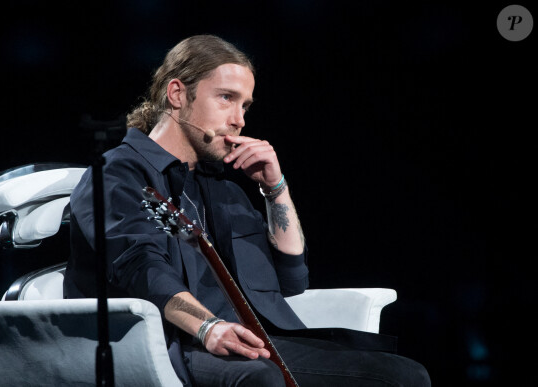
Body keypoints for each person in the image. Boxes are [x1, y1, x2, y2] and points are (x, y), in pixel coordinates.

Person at [64, 34, 430, 386]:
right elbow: (142, 269)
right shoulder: (117, 173)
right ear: (177, 94)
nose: (239, 119)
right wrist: (209, 327)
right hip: (177, 344)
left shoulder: (224, 188)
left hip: (256, 342)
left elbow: (292, 279)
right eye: (226, 98)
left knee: (405, 374)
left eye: (245, 106)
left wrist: (275, 189)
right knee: (262, 378)